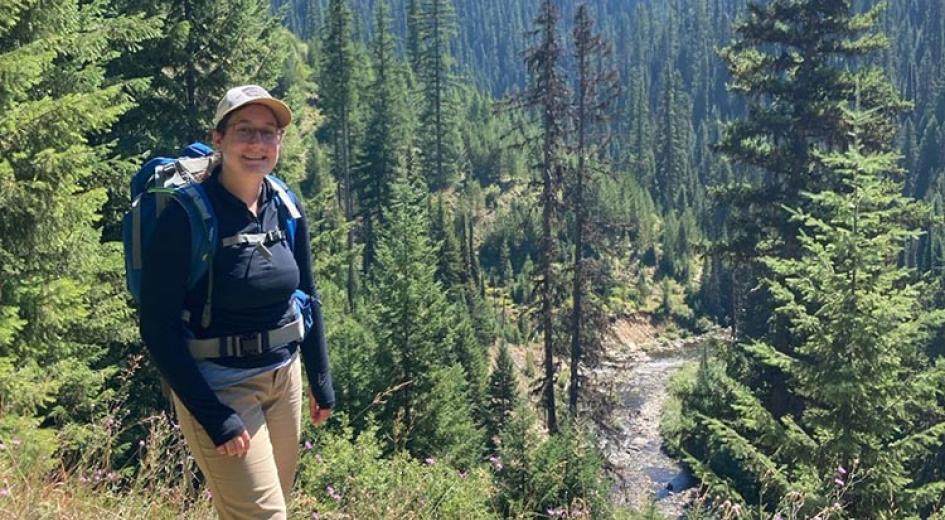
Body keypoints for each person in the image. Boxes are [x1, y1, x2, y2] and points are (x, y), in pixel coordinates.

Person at [139, 85, 334, 519]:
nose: (258, 143)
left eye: (269, 133)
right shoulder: (184, 217)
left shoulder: (283, 203)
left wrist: (320, 379)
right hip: (222, 387)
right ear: (219, 138)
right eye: (245, 130)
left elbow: (307, 295)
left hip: (284, 381)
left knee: (268, 507)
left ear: (280, 143)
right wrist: (213, 415)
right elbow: (157, 326)